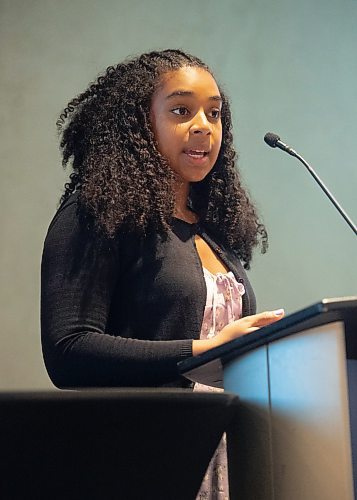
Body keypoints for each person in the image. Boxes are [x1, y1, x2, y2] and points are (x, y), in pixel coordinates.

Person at [41, 49, 284, 498]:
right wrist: (201, 351)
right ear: (138, 124)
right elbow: (68, 348)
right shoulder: (98, 214)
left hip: (223, 461)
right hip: (138, 463)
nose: (203, 126)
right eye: (180, 110)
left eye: (215, 114)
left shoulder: (213, 232)